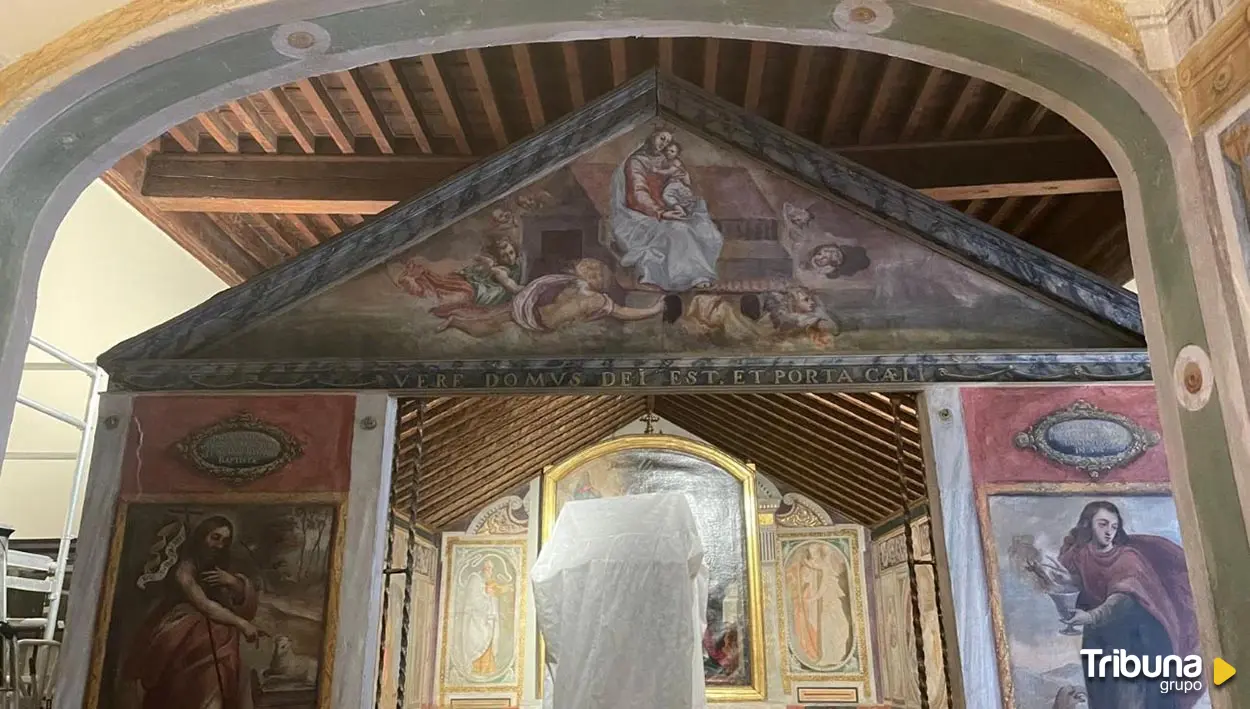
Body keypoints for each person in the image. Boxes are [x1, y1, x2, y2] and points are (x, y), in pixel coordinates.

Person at [1057, 501, 1201, 709]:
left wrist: (1089, 617)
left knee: (1131, 699)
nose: (1109, 532)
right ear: (1088, 525)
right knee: (1103, 697)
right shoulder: (1081, 554)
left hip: (1138, 640)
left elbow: (1122, 599)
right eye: (1103, 524)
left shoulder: (1127, 558)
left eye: (1114, 526)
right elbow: (1080, 580)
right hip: (1101, 638)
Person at [116, 516, 264, 709]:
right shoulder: (184, 570)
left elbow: (245, 607)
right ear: (202, 537)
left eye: (225, 541)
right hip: (180, 630)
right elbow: (205, 605)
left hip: (216, 633)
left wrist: (233, 582)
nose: (219, 545)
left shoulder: (220, 568)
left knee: (225, 660)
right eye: (215, 537)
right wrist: (242, 624)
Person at [609, 130, 724, 292]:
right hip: (640, 216)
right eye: (662, 138)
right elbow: (638, 193)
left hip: (667, 209)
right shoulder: (636, 162)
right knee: (678, 230)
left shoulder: (667, 160)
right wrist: (661, 212)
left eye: (668, 141)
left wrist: (678, 201)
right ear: (652, 136)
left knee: (703, 229)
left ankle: (696, 274)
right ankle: (688, 277)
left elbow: (676, 181)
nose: (664, 144)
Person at [510, 258, 670, 333]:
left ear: (602, 286)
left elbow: (622, 312)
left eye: (598, 274)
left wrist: (654, 309)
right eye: (594, 265)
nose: (592, 269)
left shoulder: (596, 299)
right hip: (529, 310)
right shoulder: (571, 281)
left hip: (538, 320)